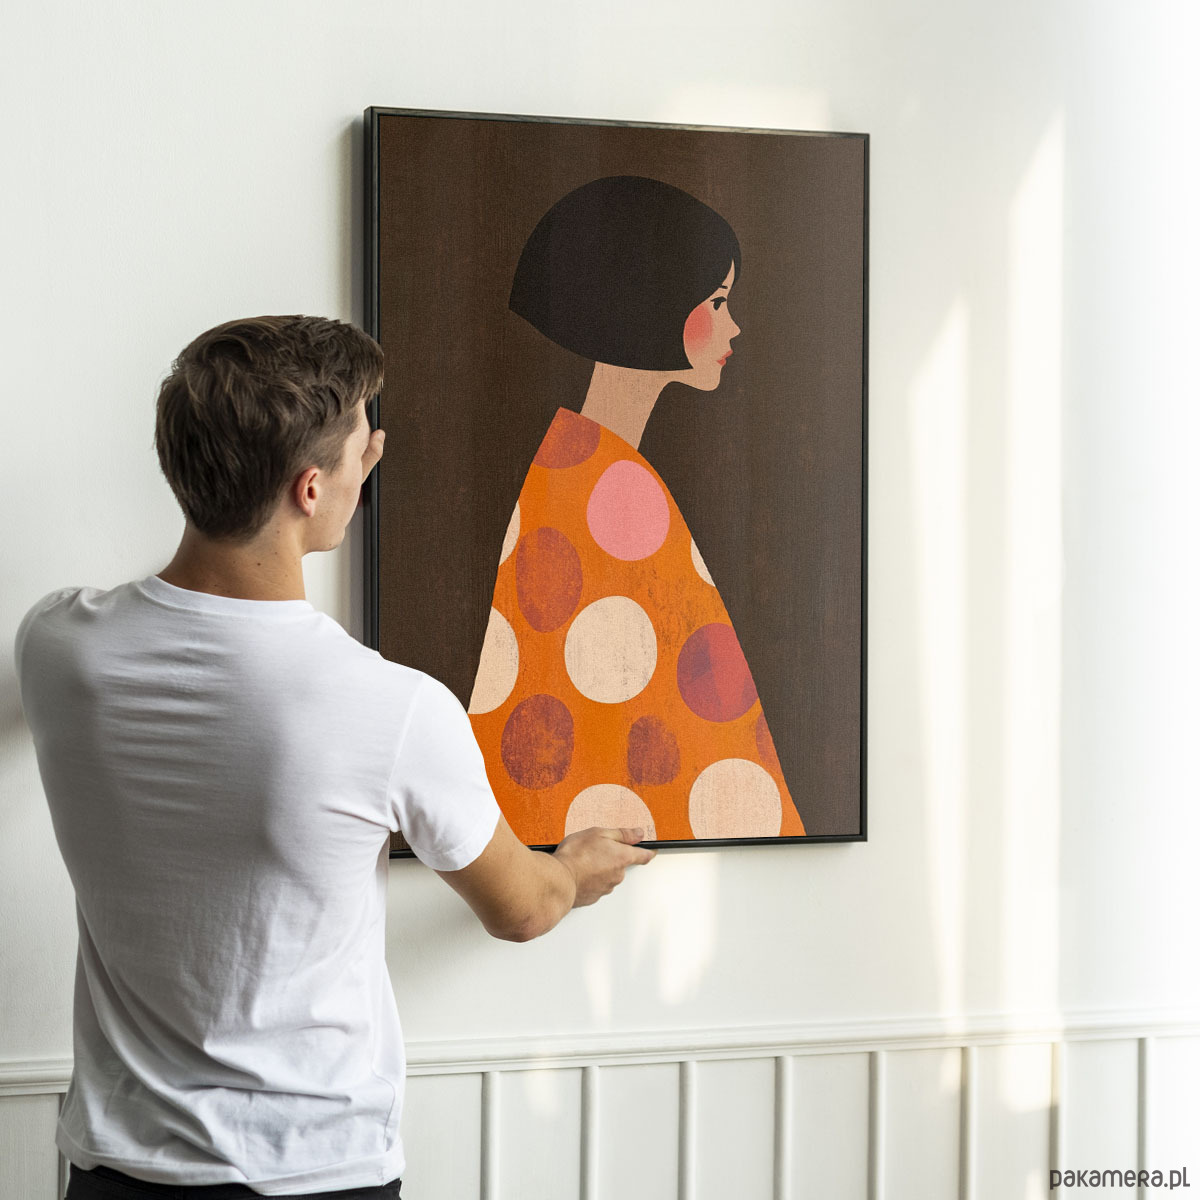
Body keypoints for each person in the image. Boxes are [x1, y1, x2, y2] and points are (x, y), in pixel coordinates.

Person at [14, 315, 655, 1199]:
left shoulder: (57, 646)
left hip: (116, 1172)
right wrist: (576, 869)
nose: (374, 454)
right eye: (363, 444)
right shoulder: (390, 708)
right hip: (314, 1173)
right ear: (309, 488)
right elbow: (522, 908)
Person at [467, 176, 806, 847]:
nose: (733, 325)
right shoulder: (605, 485)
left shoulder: (581, 468)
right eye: (717, 301)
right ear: (650, 306)